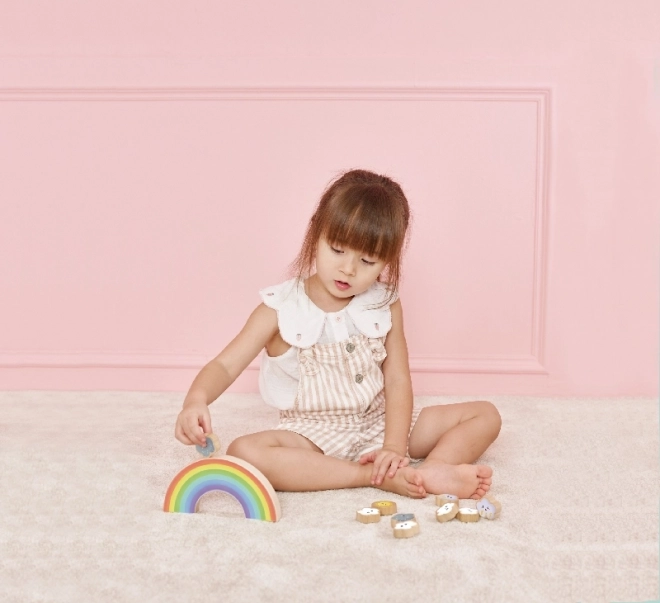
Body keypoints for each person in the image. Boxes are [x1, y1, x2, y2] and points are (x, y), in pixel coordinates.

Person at [174, 169, 501, 500]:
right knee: (244, 451)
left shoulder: (384, 302)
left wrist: (393, 445)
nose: (349, 269)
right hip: (312, 435)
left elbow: (397, 378)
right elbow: (225, 366)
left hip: (379, 421)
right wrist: (195, 400)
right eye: (337, 250)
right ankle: (365, 475)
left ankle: (431, 469)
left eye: (368, 260)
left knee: (485, 415)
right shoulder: (280, 308)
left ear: (388, 260)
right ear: (316, 232)